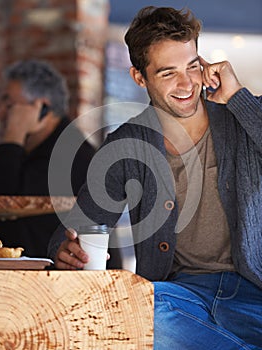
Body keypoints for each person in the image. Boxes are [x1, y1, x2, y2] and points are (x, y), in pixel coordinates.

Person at [48, 6, 262, 349]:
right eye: (168, 73)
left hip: (253, 292)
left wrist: (239, 98)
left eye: (192, 66)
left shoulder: (242, 118)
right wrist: (64, 249)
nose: (186, 83)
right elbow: (75, 227)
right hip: (178, 295)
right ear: (139, 77)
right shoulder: (125, 145)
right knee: (134, 309)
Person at [0, 59, 96, 258]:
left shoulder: (69, 154)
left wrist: (13, 136)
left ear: (42, 108)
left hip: (66, 283)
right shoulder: (33, 151)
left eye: (9, 103)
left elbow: (3, 202)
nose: (2, 112)